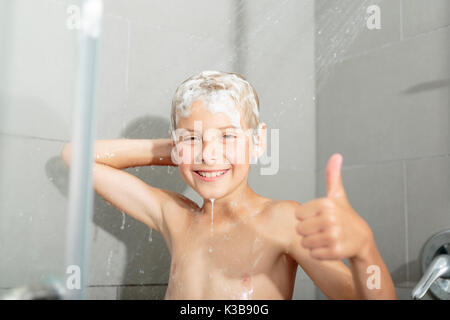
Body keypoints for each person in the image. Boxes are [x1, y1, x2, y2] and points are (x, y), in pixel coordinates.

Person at [61, 70, 397, 299]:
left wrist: (365, 252)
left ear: (258, 141)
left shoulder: (282, 221)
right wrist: (179, 149)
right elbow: (74, 157)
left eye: (228, 136)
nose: (209, 155)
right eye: (193, 138)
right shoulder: (177, 217)